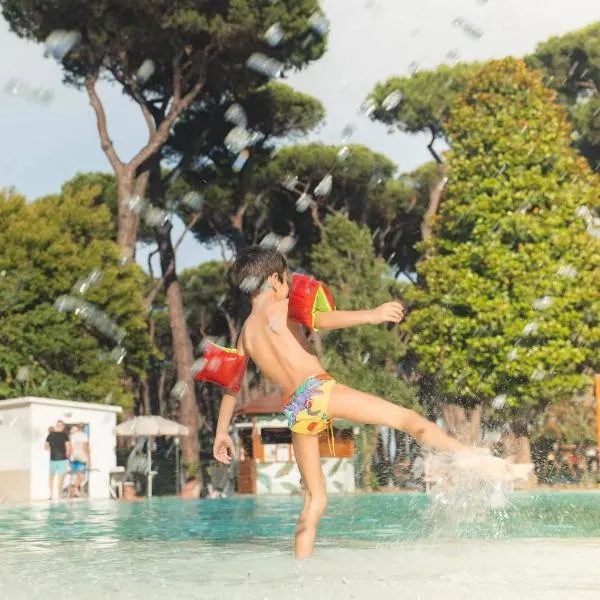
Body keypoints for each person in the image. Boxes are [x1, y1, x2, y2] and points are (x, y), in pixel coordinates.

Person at [212, 247, 532, 559]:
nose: (289, 286)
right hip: (317, 390)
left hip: (296, 408)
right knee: (409, 420)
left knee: (314, 498)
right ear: (275, 280)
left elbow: (231, 385)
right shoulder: (282, 308)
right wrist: (372, 315)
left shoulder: (245, 333)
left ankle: (301, 568)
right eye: (287, 279)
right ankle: (474, 460)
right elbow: (321, 319)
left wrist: (221, 433)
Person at [45, 420, 70, 500]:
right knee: (60, 478)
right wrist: (68, 457)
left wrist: (53, 449)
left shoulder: (50, 435)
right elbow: (68, 447)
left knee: (51, 477)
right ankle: (59, 494)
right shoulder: (65, 435)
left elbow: (46, 447)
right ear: (62, 427)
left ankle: (51, 495)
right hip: (62, 459)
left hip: (53, 459)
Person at [69, 423, 90, 497]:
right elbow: (85, 447)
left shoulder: (73, 436)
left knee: (77, 475)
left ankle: (75, 490)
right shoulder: (84, 436)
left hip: (73, 457)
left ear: (77, 428)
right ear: (83, 428)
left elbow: (71, 447)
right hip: (81, 457)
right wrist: (88, 459)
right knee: (82, 477)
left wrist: (70, 458)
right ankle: (74, 488)